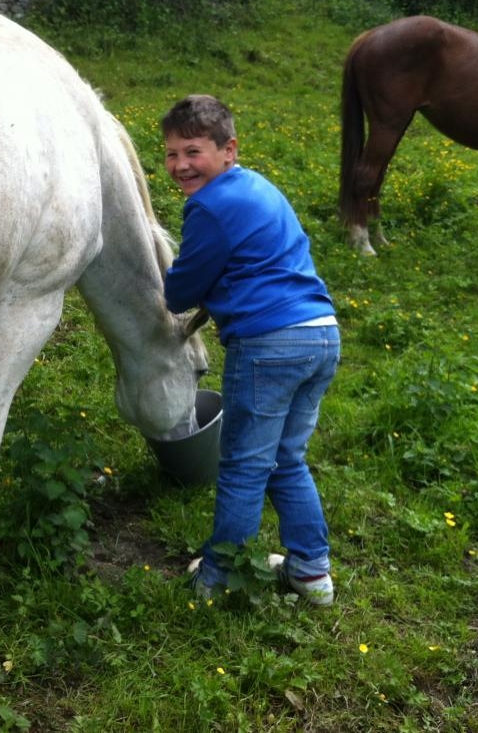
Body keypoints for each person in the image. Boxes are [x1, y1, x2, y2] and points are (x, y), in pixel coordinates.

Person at [161, 94, 339, 606]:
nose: (180, 165)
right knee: (286, 458)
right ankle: (312, 574)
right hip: (321, 333)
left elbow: (180, 292)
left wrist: (177, 281)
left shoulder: (209, 207)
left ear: (229, 149)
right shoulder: (257, 186)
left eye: (193, 151)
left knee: (243, 464)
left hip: (269, 344)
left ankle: (217, 577)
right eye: (171, 154)